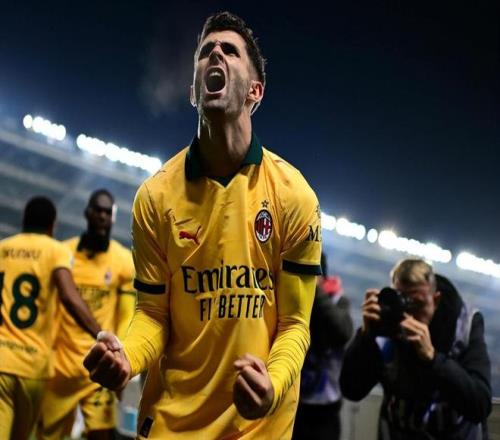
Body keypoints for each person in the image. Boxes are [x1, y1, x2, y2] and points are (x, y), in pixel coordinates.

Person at [83, 11, 322, 439]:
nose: (215, 54)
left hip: (257, 428)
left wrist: (272, 385)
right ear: (194, 91)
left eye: (230, 50)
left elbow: (295, 324)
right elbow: (152, 315)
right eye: (206, 51)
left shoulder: (294, 195)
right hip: (174, 424)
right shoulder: (155, 197)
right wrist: (127, 358)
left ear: (255, 91)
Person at [339, 258, 492, 440]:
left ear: (436, 299)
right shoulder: (388, 324)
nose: (410, 316)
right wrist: (366, 337)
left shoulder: (464, 324)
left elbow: (480, 405)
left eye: (418, 305)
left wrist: (433, 359)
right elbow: (352, 390)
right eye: (404, 304)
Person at [0, 196, 101, 440]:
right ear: (52, 225)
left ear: (24, 220)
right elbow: (69, 296)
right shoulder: (57, 251)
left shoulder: (3, 248)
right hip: (34, 367)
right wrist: (100, 333)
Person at [38, 189, 135, 440]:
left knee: (102, 435)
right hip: (61, 367)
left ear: (112, 218)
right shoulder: (63, 253)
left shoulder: (123, 260)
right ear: (87, 213)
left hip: (99, 366)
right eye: (98, 210)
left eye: (107, 212)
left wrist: (121, 356)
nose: (102, 216)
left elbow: (126, 316)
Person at [293, 252, 353, 440]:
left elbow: (342, 332)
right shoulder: (296, 300)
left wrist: (316, 290)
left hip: (325, 407)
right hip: (295, 402)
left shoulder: (338, 299)